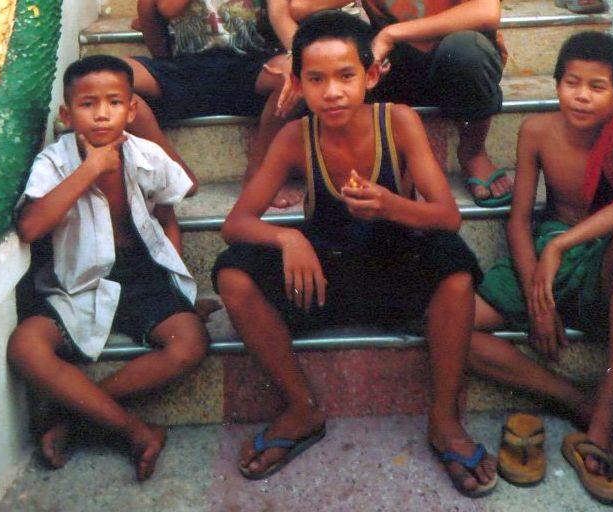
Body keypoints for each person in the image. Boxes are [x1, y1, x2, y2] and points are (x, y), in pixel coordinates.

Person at [213, 11, 497, 497]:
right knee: (232, 276)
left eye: (346, 76)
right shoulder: (294, 138)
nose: (333, 92)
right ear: (297, 85)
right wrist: (288, 238)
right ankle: (301, 409)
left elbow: (447, 216)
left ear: (371, 75)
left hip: (394, 268)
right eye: (316, 80)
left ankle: (445, 419)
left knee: (452, 265)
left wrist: (391, 205)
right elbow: (236, 224)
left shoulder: (399, 122)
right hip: (323, 275)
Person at [468, 31, 613, 504]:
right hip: (548, 250)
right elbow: (517, 221)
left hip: (600, 257)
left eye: (597, 87)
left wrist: (563, 247)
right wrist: (536, 285)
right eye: (572, 82)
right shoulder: (536, 130)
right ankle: (576, 398)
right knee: (451, 325)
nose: (582, 95)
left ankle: (605, 416)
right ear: (557, 85)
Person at [7, 55, 210, 481]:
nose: (102, 114)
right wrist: (91, 168)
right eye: (87, 104)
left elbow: (168, 217)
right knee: (26, 346)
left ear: (131, 110)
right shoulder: (55, 161)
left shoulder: (147, 155)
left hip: (140, 273)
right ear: (66, 113)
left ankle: (80, 416)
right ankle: (136, 429)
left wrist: (178, 288)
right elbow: (29, 226)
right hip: (76, 277)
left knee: (190, 343)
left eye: (114, 102)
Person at [287, 0, 512, 207]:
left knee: (467, 50)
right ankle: (359, 158)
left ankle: (473, 151)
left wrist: (390, 35)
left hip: (455, 61)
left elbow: (485, 12)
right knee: (342, 51)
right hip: (394, 66)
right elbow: (300, 7)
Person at [125, 0, 304, 206]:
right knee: (111, 80)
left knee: (297, 72)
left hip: (250, 68)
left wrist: (296, 61)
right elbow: (167, 8)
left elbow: (280, 16)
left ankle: (258, 173)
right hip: (186, 69)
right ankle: (175, 171)